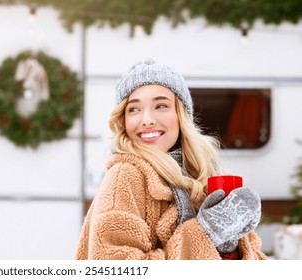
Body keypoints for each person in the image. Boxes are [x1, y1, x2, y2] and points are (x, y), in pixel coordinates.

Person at [75, 58, 267, 260]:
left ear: (181, 114)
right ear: (123, 120)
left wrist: (232, 247)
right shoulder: (125, 176)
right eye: (134, 109)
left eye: (160, 106)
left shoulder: (205, 173)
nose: (147, 119)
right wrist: (206, 233)